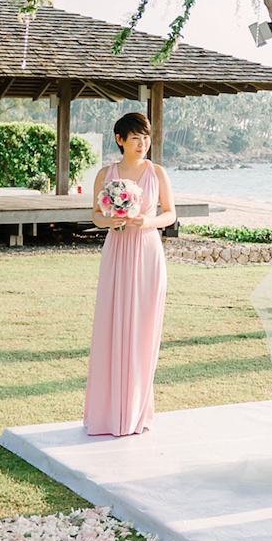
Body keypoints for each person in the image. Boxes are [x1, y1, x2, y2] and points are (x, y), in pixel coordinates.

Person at [84, 110, 177, 437]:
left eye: (146, 137)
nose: (143, 143)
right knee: (111, 324)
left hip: (148, 251)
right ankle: (107, 414)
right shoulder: (105, 174)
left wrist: (146, 221)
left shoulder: (157, 172)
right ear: (120, 140)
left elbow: (170, 214)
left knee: (142, 327)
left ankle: (137, 411)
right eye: (135, 137)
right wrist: (112, 220)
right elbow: (95, 215)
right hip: (118, 251)